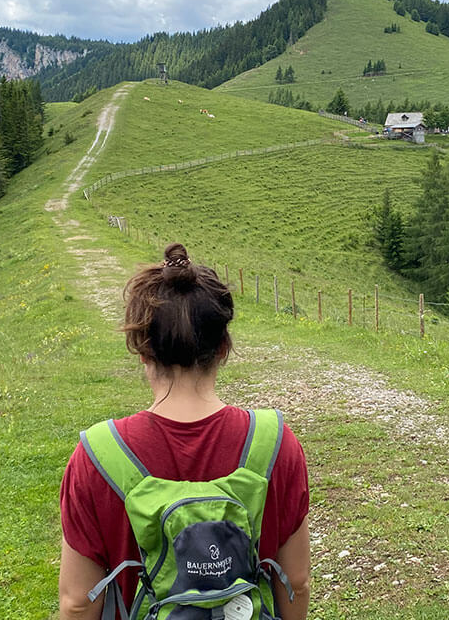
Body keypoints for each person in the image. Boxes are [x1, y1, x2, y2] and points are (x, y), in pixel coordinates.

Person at [58, 243, 311, 620]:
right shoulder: (275, 444)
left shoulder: (96, 458)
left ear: (142, 350)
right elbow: (297, 581)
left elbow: (78, 602)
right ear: (224, 347)